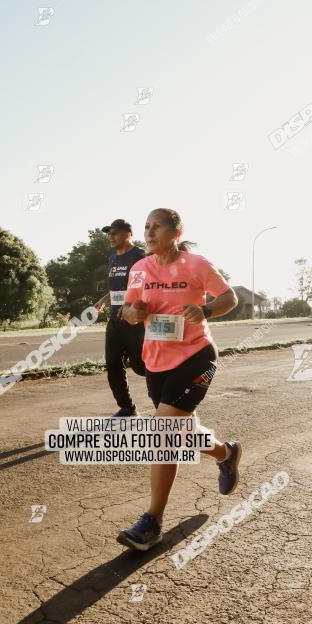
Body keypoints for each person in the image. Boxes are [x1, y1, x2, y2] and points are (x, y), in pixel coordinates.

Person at [116, 208, 240, 551]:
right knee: (182, 431)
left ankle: (151, 523)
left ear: (176, 231)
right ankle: (226, 453)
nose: (149, 233)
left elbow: (230, 297)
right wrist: (134, 312)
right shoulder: (140, 269)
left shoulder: (197, 265)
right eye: (146, 227)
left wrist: (207, 311)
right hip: (156, 362)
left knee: (165, 432)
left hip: (196, 355)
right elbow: (127, 310)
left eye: (157, 227)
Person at [94, 219, 146, 417]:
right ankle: (127, 407)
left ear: (128, 233)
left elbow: (145, 287)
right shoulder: (112, 259)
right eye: (109, 234)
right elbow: (116, 288)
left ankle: (163, 402)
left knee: (141, 366)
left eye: (115, 233)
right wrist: (104, 300)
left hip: (136, 321)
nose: (111, 237)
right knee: (113, 364)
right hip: (115, 320)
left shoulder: (140, 256)